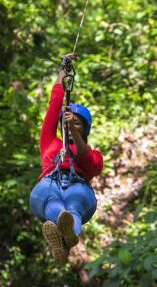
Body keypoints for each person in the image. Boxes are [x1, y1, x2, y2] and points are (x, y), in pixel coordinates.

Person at [29, 55, 104, 263]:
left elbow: (89, 162)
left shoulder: (92, 152)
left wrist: (73, 130)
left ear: (85, 130)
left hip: (78, 188)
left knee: (74, 204)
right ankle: (65, 238)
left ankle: (63, 231)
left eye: (78, 123)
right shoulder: (50, 142)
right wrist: (64, 69)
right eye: (69, 123)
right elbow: (55, 102)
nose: (71, 126)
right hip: (49, 184)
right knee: (52, 198)